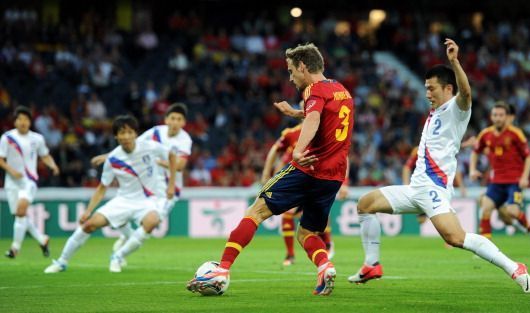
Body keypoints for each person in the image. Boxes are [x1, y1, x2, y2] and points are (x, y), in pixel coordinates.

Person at [348, 39, 530, 293]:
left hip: (434, 189)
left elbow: (466, 94)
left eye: (431, 88)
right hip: (417, 188)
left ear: (448, 89)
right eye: (425, 88)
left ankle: (514, 267)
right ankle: (372, 265)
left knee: (456, 238)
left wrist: (455, 62)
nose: (427, 93)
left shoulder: (456, 110)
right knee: (365, 204)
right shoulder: (435, 113)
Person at [187, 43, 354, 296]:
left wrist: (298, 150)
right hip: (333, 177)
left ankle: (221, 269)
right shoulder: (341, 91)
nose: (290, 77)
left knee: (256, 211)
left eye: (291, 70)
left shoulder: (313, 89)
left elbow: (315, 118)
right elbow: (324, 116)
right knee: (307, 232)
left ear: (303, 66)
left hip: (307, 169)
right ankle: (324, 266)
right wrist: (297, 112)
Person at [44, 115, 176, 273]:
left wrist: (171, 184)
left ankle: (118, 256)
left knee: (152, 220)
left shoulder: (149, 146)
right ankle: (61, 262)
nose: (126, 136)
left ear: (135, 133)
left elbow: (172, 155)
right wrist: (88, 211)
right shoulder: (113, 158)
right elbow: (102, 188)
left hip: (148, 201)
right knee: (89, 225)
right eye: (122, 132)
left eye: (129, 132)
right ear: (116, 136)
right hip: (123, 200)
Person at [91, 103, 192, 258]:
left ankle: (121, 251)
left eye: (179, 119)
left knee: (153, 222)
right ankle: (123, 246)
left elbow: (179, 165)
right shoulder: (156, 132)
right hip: (148, 186)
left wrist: (157, 161)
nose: (175, 122)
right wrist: (108, 156)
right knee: (127, 211)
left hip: (169, 189)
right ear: (166, 119)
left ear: (184, 123)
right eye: (172, 118)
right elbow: (130, 142)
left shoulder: (184, 140)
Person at [262, 118, 347, 266]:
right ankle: (290, 254)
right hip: (298, 180)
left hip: (319, 179)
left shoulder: (325, 130)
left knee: (318, 214)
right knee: (288, 215)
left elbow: (343, 155)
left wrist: (345, 182)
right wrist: (267, 174)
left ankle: (327, 243)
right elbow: (276, 152)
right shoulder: (291, 134)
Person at [469, 101, 530, 253]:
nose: (498, 118)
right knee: (486, 208)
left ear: (507, 117)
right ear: (491, 116)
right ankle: (485, 248)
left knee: (512, 212)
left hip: (514, 182)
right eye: (495, 115)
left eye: (501, 115)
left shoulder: (515, 134)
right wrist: (472, 170)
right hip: (496, 182)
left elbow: (529, 157)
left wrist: (524, 177)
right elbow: (475, 152)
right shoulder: (486, 134)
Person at [0, 106, 60, 259]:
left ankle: (15, 248)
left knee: (20, 212)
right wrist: (11, 171)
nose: (23, 122)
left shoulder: (37, 138)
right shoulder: (7, 138)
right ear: (15, 121)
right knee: (20, 216)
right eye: (20, 119)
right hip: (11, 182)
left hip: (29, 181)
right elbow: (1, 159)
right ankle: (42, 239)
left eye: (26, 119)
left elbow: (45, 155)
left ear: (30, 122)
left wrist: (52, 165)